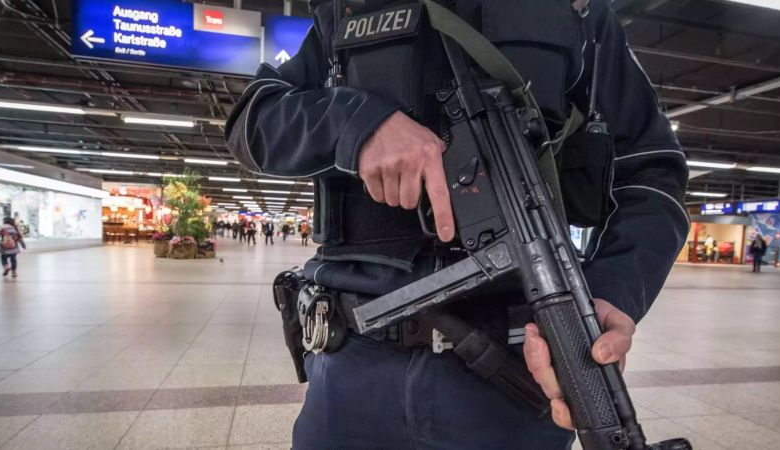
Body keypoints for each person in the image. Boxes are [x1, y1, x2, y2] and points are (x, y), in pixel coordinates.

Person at [224, 0, 689, 447]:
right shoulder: (351, 8)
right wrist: (353, 124)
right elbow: (252, 119)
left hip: (514, 379)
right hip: (351, 370)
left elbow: (654, 171)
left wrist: (613, 291)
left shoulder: (576, 13)